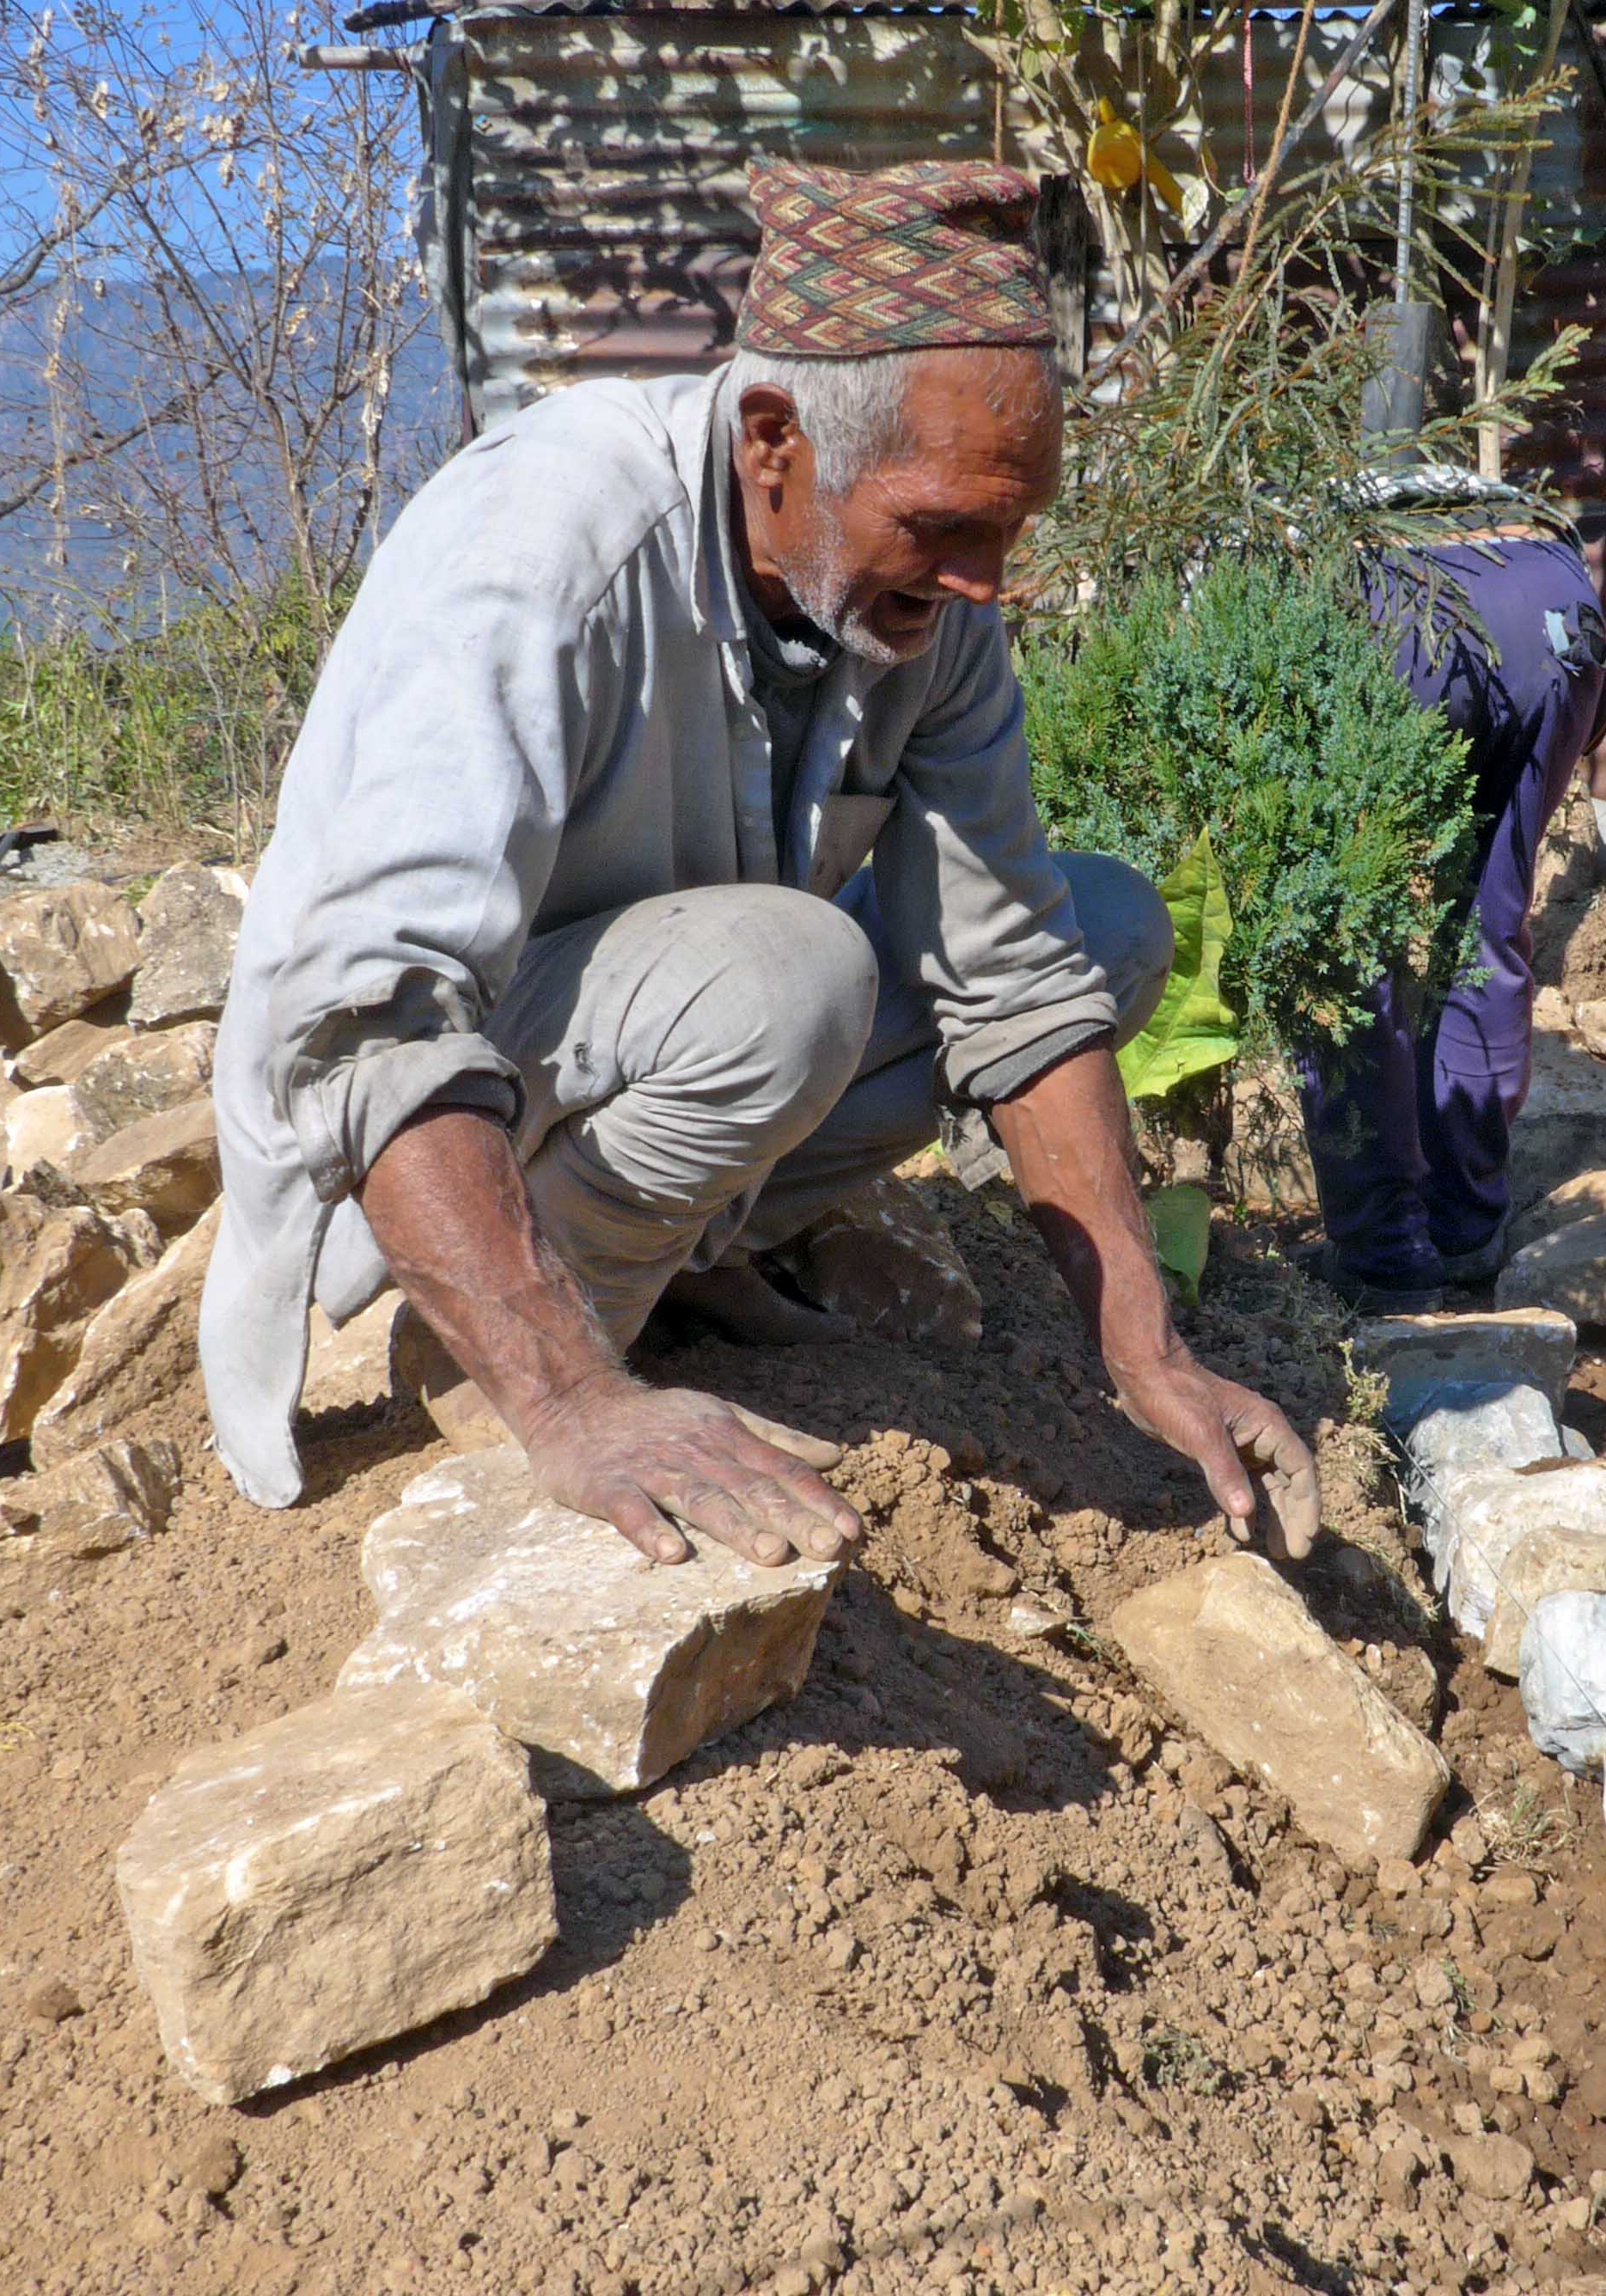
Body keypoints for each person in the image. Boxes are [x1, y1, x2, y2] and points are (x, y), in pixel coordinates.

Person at [202, 159, 1317, 1574]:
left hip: (665, 1034)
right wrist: (570, 1398)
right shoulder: (545, 550)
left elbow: (1017, 977)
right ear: (775, 442)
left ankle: (674, 1268)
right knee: (796, 974)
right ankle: (514, 1352)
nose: (986, 580)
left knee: (1104, 928)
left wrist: (1146, 1346)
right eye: (942, 527)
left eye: (1009, 529)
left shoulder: (929, 598)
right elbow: (368, 1018)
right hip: (436, 1127)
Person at [1295, 508, 1606, 1311]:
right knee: (1488, 925)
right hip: (1556, 607)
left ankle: (1385, 1255)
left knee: (1335, 943)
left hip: (1401, 611)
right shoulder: (1439, 481)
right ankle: (1467, 1224)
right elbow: (1598, 708)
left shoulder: (1243, 517)